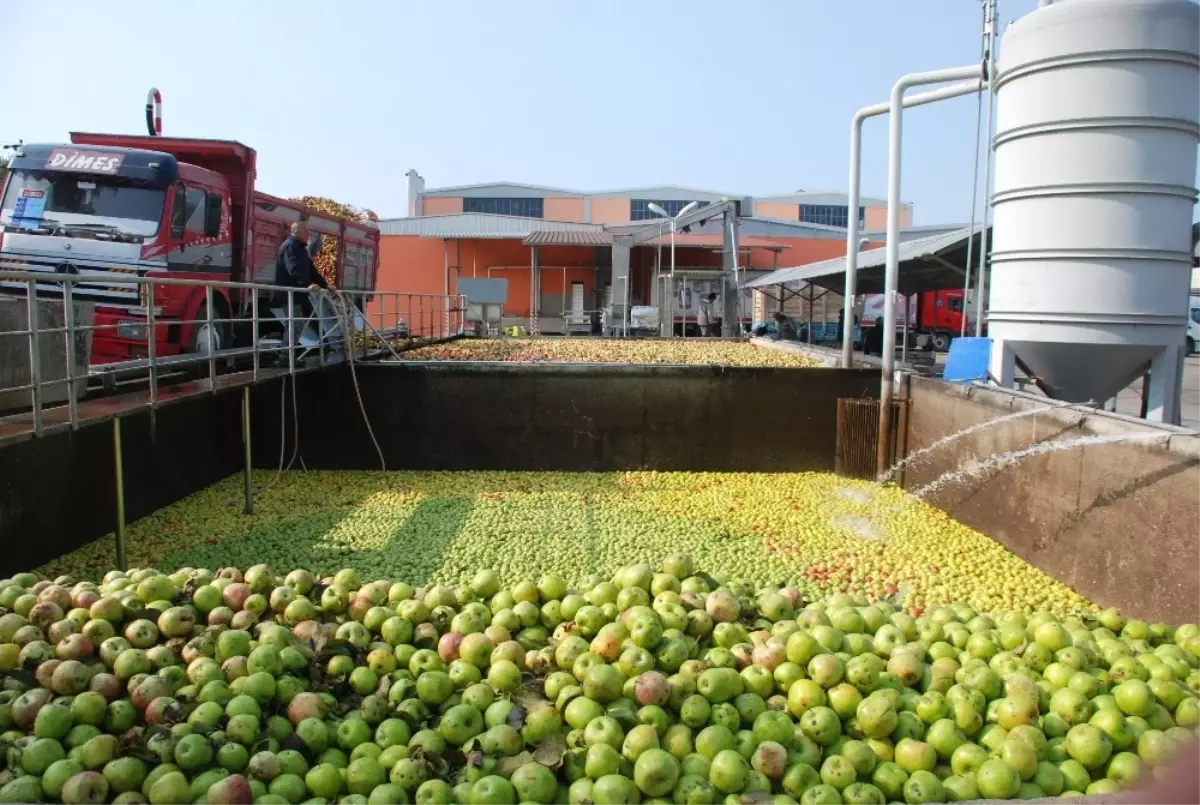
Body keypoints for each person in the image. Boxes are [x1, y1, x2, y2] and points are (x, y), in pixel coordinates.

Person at [274, 220, 336, 328]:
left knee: (302, 324)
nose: (308, 234)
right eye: (306, 231)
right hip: (290, 294)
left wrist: (325, 285)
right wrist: (307, 284)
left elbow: (311, 270)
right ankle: (289, 345)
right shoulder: (290, 247)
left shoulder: (300, 247)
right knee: (295, 326)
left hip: (299, 294)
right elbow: (294, 269)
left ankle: (299, 344)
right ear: (298, 232)